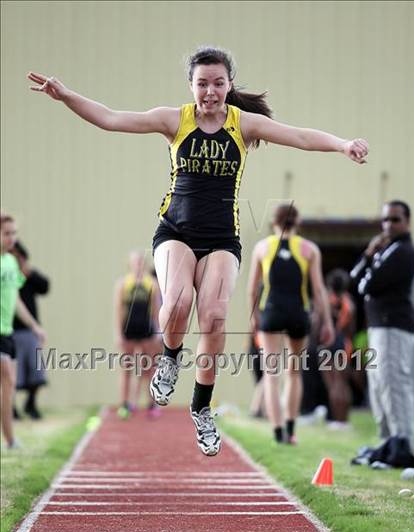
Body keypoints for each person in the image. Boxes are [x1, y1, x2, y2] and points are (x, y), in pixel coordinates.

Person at [28, 46, 368, 456]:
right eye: (202, 84)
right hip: (174, 231)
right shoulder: (175, 120)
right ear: (191, 85)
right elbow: (111, 118)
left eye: (218, 84)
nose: (210, 92)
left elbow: (298, 136)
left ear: (229, 85)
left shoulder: (245, 125)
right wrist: (67, 96)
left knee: (215, 316)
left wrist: (342, 144)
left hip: (223, 238)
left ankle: (201, 409)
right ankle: (170, 358)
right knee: (177, 302)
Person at [248, 204, 335, 444]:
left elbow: (252, 289)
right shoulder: (309, 249)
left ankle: (277, 432)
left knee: (271, 375)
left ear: (274, 223)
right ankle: (291, 428)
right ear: (297, 223)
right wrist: (327, 321)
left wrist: (253, 318)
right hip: (298, 313)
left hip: (272, 313)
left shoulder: (262, 247)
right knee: (294, 373)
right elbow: (318, 289)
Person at [350, 200, 414, 453]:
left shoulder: (403, 251)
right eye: (386, 219)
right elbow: (355, 278)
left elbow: (368, 286)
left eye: (395, 219)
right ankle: (388, 441)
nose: (389, 224)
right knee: (378, 383)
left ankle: (404, 442)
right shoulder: (385, 249)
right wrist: (369, 254)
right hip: (379, 326)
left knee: (394, 382)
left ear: (407, 222)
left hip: (393, 326)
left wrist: (369, 271)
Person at [1, 214, 46, 449]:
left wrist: (34, 325)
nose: (11, 238)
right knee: (8, 378)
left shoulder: (10, 262)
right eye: (6, 233)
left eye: (14, 233)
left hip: (7, 333)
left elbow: (15, 300)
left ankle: (10, 439)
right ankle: (10, 439)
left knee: (9, 384)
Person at [114, 252, 162, 419]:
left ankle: (152, 404)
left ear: (145, 264)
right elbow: (119, 310)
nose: (138, 265)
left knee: (149, 368)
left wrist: (157, 331)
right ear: (130, 264)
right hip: (129, 330)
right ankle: (125, 404)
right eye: (135, 262)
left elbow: (156, 310)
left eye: (141, 261)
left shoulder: (152, 284)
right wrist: (119, 334)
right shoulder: (123, 284)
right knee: (127, 368)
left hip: (146, 330)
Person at [12, 241, 50, 420]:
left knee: (36, 372)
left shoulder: (27, 275)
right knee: (12, 374)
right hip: (10, 331)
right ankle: (10, 408)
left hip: (30, 331)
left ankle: (31, 404)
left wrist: (30, 273)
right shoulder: (7, 276)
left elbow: (45, 287)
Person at [322, 269, 355, 429]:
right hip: (344, 344)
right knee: (342, 383)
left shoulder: (326, 301)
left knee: (333, 385)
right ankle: (344, 420)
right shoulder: (349, 304)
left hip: (329, 343)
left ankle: (336, 420)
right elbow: (351, 329)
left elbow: (318, 325)